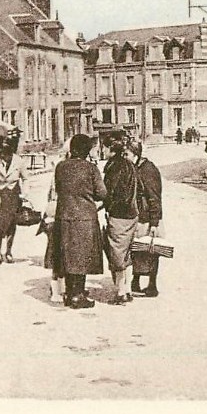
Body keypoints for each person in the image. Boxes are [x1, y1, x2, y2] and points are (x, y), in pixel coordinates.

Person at [53, 134, 107, 309]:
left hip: (64, 216)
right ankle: (78, 295)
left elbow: (59, 188)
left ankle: (70, 293)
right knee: (82, 256)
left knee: (68, 255)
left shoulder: (60, 167)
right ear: (86, 150)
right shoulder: (91, 169)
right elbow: (102, 193)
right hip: (84, 218)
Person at [103, 131, 139, 305]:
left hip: (119, 214)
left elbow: (110, 193)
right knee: (126, 254)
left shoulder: (114, 167)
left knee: (116, 254)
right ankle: (128, 289)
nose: (103, 151)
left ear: (111, 148)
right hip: (132, 214)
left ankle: (121, 292)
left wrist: (104, 205)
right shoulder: (129, 164)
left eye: (105, 147)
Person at [128, 135, 163, 297]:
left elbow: (154, 197)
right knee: (136, 249)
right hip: (138, 215)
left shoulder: (148, 170)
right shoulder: (135, 167)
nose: (125, 158)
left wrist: (154, 223)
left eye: (127, 154)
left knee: (150, 250)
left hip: (148, 218)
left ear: (135, 154)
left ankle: (152, 285)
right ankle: (135, 282)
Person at [0, 140, 27, 265]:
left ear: (10, 153)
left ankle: (8, 251)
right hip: (0, 195)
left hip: (14, 195)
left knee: (11, 224)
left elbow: (25, 178)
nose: (2, 157)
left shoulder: (19, 162)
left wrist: (24, 194)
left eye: (4, 154)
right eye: (0, 154)